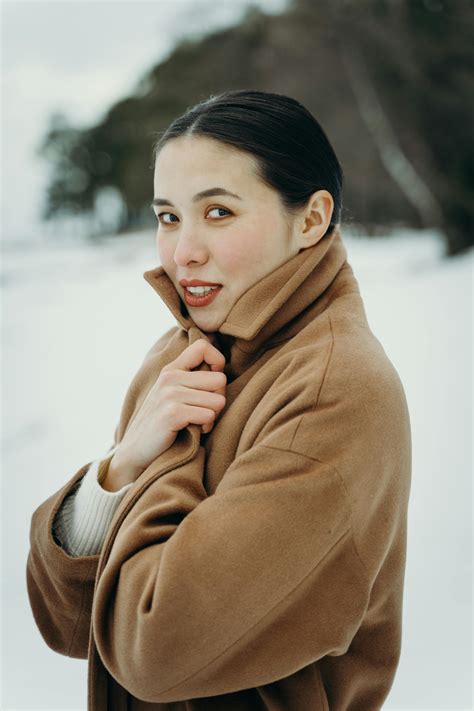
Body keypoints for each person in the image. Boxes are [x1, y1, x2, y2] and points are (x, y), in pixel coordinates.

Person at [26, 89, 412, 710]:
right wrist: (119, 468)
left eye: (220, 213)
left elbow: (154, 650)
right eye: (168, 217)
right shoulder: (182, 354)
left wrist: (171, 453)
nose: (184, 252)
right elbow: (67, 621)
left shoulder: (334, 389)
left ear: (311, 219)